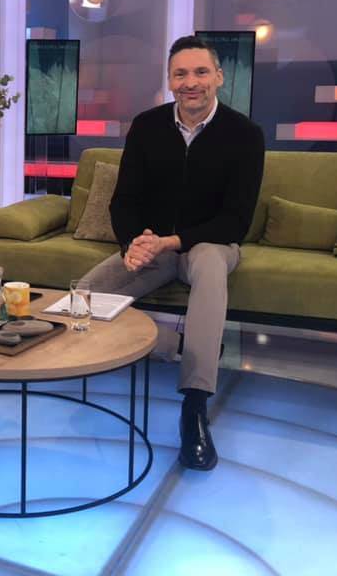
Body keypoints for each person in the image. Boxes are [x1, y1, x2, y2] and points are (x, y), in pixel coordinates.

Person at [83, 35, 265, 470]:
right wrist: (133, 243)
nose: (191, 82)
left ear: (219, 77)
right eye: (180, 74)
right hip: (155, 247)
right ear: (169, 81)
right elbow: (124, 201)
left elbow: (235, 220)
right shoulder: (147, 126)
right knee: (80, 303)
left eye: (201, 72)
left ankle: (195, 406)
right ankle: (178, 343)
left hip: (211, 245)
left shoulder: (245, 134)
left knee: (209, 265)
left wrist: (173, 241)